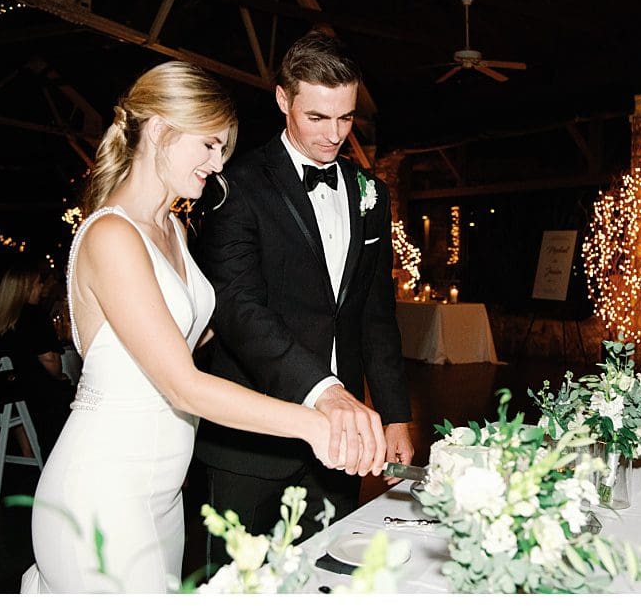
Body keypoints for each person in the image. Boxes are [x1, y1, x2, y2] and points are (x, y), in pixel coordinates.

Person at [22, 61, 377, 593]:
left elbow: (202, 331)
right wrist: (313, 421)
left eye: (223, 150)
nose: (217, 164)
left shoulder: (173, 226)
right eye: (209, 145)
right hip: (105, 487)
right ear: (162, 130)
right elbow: (181, 383)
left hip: (161, 493)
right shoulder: (112, 236)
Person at [191, 31, 411, 567]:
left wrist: (395, 414)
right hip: (251, 440)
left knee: (333, 573)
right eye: (318, 117)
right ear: (283, 100)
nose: (334, 135)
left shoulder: (371, 192)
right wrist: (324, 392)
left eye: (346, 118)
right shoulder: (234, 185)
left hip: (342, 443)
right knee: (237, 584)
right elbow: (238, 309)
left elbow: (375, 312)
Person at [0, 262, 74, 451]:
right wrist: (60, 376)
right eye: (39, 283)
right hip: (20, 396)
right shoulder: (34, 316)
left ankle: (28, 452)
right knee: (67, 391)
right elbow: (50, 360)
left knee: (23, 383)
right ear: (26, 288)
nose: (42, 288)